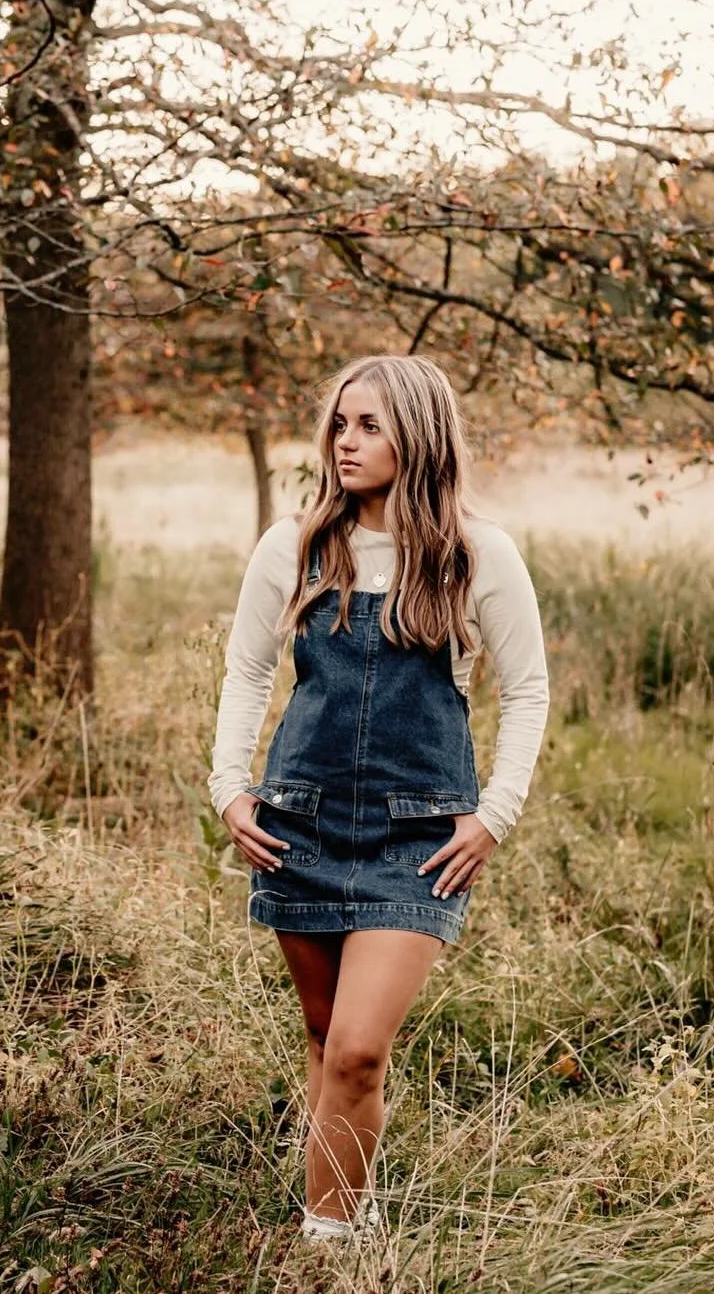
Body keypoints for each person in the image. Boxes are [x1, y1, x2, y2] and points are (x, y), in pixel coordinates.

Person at [208, 353, 550, 1253]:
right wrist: (229, 787)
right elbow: (247, 671)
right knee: (325, 1035)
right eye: (339, 424)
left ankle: (328, 1238)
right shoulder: (294, 545)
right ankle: (337, 1221)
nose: (345, 442)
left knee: (358, 1046)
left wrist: (494, 815)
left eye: (369, 425)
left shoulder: (478, 554)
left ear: (420, 437)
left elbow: (529, 691)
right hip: (300, 824)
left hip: (418, 840)